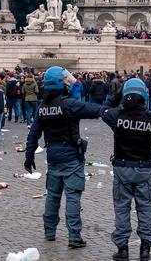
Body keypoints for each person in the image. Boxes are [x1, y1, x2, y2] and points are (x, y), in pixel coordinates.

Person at [24, 66, 103, 249]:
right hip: (71, 156)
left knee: (52, 196)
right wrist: (110, 110)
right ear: (60, 84)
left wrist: (29, 157)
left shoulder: (42, 108)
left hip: (53, 156)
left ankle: (49, 231)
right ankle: (74, 236)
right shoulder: (68, 105)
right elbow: (91, 109)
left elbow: (33, 135)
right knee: (73, 196)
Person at [101, 78, 151, 261]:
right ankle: (145, 248)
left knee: (122, 209)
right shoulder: (150, 118)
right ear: (144, 96)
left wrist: (115, 97)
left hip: (122, 167)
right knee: (145, 209)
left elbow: (103, 110)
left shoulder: (117, 115)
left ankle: (122, 249)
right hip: (143, 169)